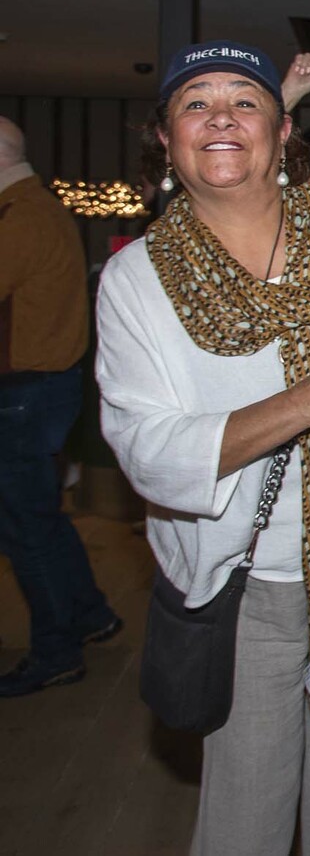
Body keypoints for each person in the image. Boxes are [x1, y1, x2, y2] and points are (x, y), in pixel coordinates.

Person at [96, 40, 310, 855]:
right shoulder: (138, 281)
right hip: (252, 590)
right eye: (195, 103)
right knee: (248, 824)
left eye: (245, 100)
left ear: (280, 131)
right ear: (166, 141)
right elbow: (148, 451)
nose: (221, 117)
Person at [0, 116, 122, 697]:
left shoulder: (20, 215)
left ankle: (56, 649)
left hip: (27, 389)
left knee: (26, 524)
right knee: (38, 517)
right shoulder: (36, 207)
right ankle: (89, 613)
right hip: (40, 384)